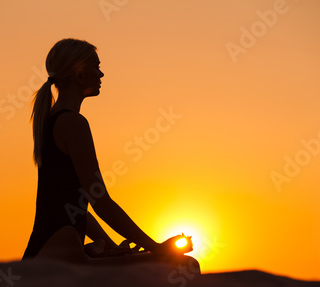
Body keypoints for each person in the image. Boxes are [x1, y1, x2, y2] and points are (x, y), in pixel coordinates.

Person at [22, 38, 198, 270]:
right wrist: (156, 247)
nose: (102, 74)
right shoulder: (73, 123)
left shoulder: (54, 120)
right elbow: (101, 201)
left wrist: (111, 244)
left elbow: (70, 205)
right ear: (79, 74)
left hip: (44, 251)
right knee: (186, 266)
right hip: (61, 261)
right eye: (96, 67)